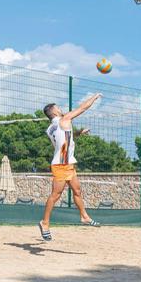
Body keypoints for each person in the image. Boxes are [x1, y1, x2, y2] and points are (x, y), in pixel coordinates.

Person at [38, 94, 102, 241]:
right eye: (58, 107)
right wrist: (95, 97)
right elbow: (83, 108)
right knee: (55, 195)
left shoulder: (51, 128)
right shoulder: (64, 119)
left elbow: (64, 139)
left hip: (67, 164)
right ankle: (45, 223)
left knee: (77, 190)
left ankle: (84, 216)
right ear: (54, 112)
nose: (61, 109)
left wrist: (78, 133)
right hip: (61, 165)